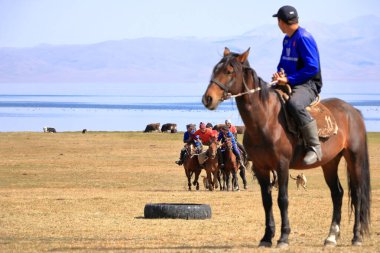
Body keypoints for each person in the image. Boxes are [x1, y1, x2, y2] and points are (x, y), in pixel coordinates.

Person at [272, 5, 323, 165]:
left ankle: (315, 147)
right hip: (291, 81)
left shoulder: (303, 38)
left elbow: (312, 67)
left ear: (281, 22)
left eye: (278, 21)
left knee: (294, 104)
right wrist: (280, 74)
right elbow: (283, 63)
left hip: (308, 84)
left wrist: (289, 80)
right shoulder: (287, 39)